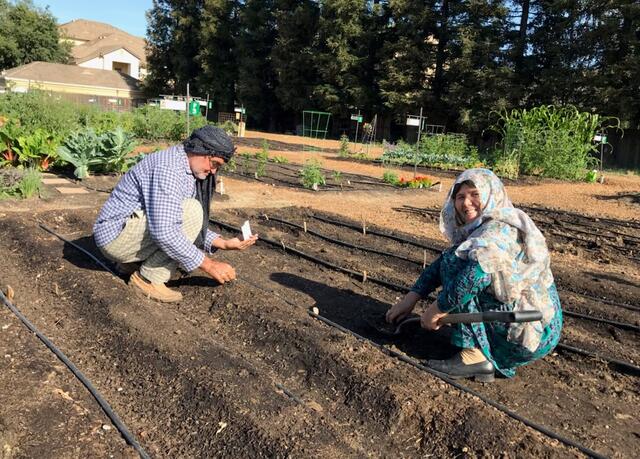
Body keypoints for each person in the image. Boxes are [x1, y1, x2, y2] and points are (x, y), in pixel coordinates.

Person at [386, 168, 562, 382]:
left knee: (459, 267)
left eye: (475, 194)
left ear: (490, 194)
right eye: (460, 197)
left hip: (526, 332)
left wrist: (435, 310)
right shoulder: (492, 225)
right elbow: (442, 262)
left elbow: (475, 276)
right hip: (538, 325)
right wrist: (410, 299)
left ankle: (474, 357)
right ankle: (484, 348)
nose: (466, 203)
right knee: (453, 258)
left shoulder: (496, 232)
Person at [93, 125, 258, 303]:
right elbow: (166, 231)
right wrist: (209, 265)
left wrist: (224, 243)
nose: (213, 171)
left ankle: (131, 262)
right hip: (116, 239)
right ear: (200, 151)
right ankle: (149, 279)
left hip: (124, 233)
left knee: (189, 211)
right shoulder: (169, 168)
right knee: (193, 210)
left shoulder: (182, 165)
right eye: (214, 163)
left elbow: (178, 219)